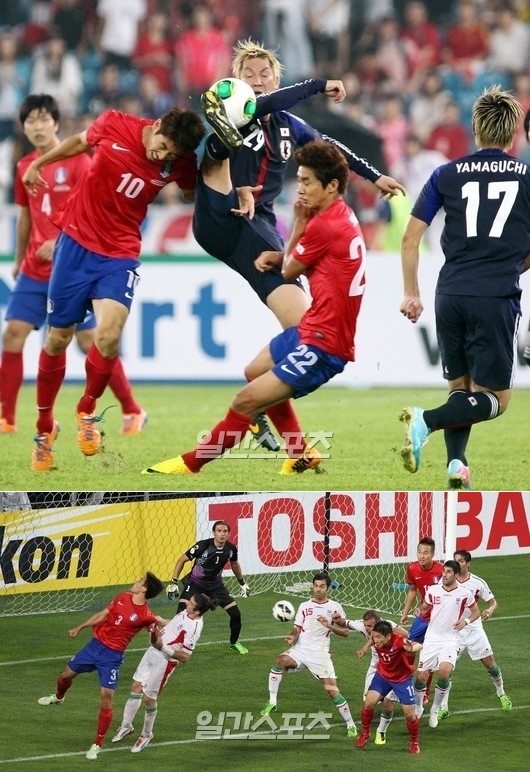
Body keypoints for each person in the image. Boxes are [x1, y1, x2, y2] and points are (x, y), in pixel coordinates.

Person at [194, 39, 405, 451]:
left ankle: (291, 444)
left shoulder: (290, 125)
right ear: (235, 82)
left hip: (259, 224)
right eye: (248, 75)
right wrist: (320, 83)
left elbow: (331, 151)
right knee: (310, 329)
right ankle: (262, 408)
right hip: (221, 216)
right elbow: (247, 122)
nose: (256, 82)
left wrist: (374, 176)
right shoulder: (234, 117)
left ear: (276, 78)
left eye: (264, 75)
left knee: (303, 329)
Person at [142, 140, 367, 476]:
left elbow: (290, 271)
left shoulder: (322, 224)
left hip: (324, 343)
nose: (300, 189)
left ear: (331, 186)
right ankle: (300, 452)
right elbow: (299, 262)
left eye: (307, 182)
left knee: (245, 401)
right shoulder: (341, 215)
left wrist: (299, 224)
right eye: (299, 180)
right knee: (254, 372)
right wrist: (281, 255)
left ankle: (191, 465)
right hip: (311, 330)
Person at [21, 101, 206, 471]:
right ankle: (44, 430)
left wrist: (220, 173)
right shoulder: (116, 123)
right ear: (156, 126)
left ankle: (86, 411)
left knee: (108, 335)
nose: (163, 155)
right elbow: (77, 142)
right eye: (163, 145)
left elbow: (191, 192)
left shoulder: (180, 161)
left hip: (119, 253)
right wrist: (41, 164)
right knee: (58, 338)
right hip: (75, 244)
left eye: (171, 153)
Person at [399, 86, 530, 490]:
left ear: (475, 131)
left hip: (450, 293)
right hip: (494, 298)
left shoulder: (445, 174)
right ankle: (427, 420)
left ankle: (457, 464)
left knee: (460, 388)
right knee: (497, 400)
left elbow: (410, 238)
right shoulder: (527, 177)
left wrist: (411, 292)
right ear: (514, 136)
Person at [0, 93, 146, 438]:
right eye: (29, 121)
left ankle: (132, 409)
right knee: (12, 335)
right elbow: (25, 216)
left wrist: (63, 238)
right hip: (35, 271)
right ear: (23, 127)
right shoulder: (24, 167)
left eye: (42, 119)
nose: (36, 126)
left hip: (74, 264)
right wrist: (19, 259)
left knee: (89, 341)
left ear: (55, 122)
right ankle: (7, 418)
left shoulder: (80, 162)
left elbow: (96, 204)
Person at [37, 573, 164, 761]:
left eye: (139, 582)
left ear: (144, 589)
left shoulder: (146, 616)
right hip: (94, 647)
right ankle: (58, 697)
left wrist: (154, 633)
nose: (135, 582)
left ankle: (97, 743)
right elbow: (103, 615)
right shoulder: (122, 597)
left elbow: (156, 641)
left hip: (111, 658)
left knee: (106, 698)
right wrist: (80, 627)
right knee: (65, 676)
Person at [111, 592, 216, 753]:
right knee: (136, 686)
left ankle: (146, 734)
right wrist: (160, 621)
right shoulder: (187, 612)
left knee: (149, 699)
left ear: (196, 611)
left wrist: (162, 647)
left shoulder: (193, 629)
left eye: (191, 602)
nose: (187, 602)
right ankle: (126, 726)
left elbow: (186, 657)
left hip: (164, 661)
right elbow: (176, 624)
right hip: (153, 651)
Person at [260, 572, 358, 738]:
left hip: (320, 653)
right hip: (302, 649)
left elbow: (346, 632)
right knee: (280, 661)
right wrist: (292, 636)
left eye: (322, 586)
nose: (318, 589)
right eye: (316, 586)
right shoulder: (304, 606)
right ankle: (272, 702)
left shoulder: (335, 607)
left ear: (328, 589)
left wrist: (330, 626)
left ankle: (350, 724)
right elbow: (297, 628)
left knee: (332, 690)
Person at [437, 549, 512, 719]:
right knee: (445, 669)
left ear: (468, 563)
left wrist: (490, 610)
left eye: (461, 561)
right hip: (454, 631)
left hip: (474, 629)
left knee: (490, 664)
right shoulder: (448, 582)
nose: (458, 563)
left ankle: (501, 693)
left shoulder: (477, 583)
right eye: (455, 560)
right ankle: (443, 707)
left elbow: (493, 602)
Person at [165, 520, 251, 655]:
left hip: (216, 586)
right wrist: (174, 582)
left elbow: (234, 564)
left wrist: (242, 583)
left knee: (236, 614)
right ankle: (171, 643)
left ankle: (234, 643)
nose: (222, 534)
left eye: (225, 531)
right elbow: (182, 560)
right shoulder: (202, 546)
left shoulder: (231, 549)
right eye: (219, 531)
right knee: (180, 613)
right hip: (195, 584)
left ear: (228, 534)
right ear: (214, 533)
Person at [414, 560, 480, 729]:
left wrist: (465, 621)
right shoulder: (433, 590)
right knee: (421, 678)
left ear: (456, 575)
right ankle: (419, 705)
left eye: (449, 572)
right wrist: (420, 610)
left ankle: (435, 708)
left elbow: (476, 612)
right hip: (432, 639)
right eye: (444, 571)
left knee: (444, 672)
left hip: (451, 639)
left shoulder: (465, 594)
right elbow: (425, 607)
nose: (444, 574)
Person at [334, 608, 409, 745]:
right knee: (368, 702)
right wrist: (337, 619)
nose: (367, 629)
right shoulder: (364, 626)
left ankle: (381, 731)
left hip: (394, 670)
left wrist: (389, 630)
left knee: (388, 704)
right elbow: (345, 623)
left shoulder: (388, 627)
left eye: (370, 626)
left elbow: (405, 633)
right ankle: (365, 732)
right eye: (366, 625)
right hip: (376, 669)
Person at [354, 620, 422, 754]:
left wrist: (411, 648)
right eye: (374, 636)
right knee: (368, 703)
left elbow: (419, 645)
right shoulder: (377, 638)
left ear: (388, 636)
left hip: (401, 680)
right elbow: (373, 640)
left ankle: (414, 741)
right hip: (383, 676)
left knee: (409, 714)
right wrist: (365, 647)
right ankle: (365, 733)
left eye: (379, 637)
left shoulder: (399, 641)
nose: (376, 640)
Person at [399, 537, 443, 706]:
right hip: (423, 617)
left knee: (428, 655)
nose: (422, 556)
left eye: (426, 553)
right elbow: (412, 590)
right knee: (408, 647)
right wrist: (405, 612)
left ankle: (425, 692)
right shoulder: (412, 568)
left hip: (438, 619)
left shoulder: (441, 571)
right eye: (419, 552)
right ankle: (403, 682)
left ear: (432, 554)